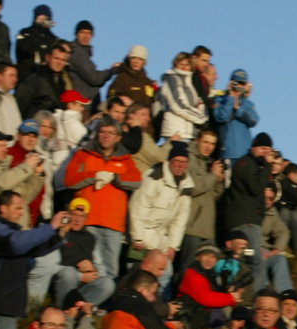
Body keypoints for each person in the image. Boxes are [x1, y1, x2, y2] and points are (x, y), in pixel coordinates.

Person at [0, 191, 64, 329]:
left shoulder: (9, 231)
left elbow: (32, 249)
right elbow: (17, 243)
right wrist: (50, 227)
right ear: (3, 208)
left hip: (8, 304)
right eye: (17, 208)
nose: (21, 213)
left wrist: (58, 235)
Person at [65, 121, 140, 280]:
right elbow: (69, 180)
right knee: (90, 267)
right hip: (88, 221)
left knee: (111, 270)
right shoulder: (83, 154)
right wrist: (94, 175)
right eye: (102, 131)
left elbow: (137, 180)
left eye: (110, 132)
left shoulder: (125, 159)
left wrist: (115, 177)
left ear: (118, 137)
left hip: (113, 223)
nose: (105, 136)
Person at [129, 142, 194, 287]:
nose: (180, 165)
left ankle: (156, 307)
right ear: (169, 161)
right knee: (137, 277)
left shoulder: (186, 185)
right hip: (142, 238)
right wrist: (138, 237)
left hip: (161, 241)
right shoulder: (154, 176)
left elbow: (180, 220)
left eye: (184, 162)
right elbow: (139, 207)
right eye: (176, 161)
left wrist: (173, 245)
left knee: (165, 276)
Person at [223, 133, 276, 252]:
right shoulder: (246, 164)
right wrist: (268, 166)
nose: (265, 153)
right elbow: (256, 189)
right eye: (263, 149)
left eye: (268, 150)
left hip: (249, 220)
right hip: (245, 221)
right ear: (254, 147)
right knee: (254, 260)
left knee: (250, 258)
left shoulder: (256, 165)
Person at [182, 128, 226, 265]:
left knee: (205, 273)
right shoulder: (189, 158)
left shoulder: (209, 163)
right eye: (205, 142)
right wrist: (213, 176)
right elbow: (193, 187)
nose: (208, 147)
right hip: (192, 226)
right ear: (197, 141)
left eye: (212, 144)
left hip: (207, 227)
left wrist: (219, 181)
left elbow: (213, 196)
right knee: (188, 267)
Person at [16, 41, 75, 116]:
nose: (59, 62)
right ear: (48, 58)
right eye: (56, 58)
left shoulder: (62, 82)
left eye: (63, 60)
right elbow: (22, 102)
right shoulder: (35, 78)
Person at [158, 52, 207, 140]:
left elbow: (199, 103)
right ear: (175, 64)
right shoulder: (171, 79)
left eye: (187, 65)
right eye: (181, 64)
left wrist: (201, 110)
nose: (184, 67)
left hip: (188, 132)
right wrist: (201, 118)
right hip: (175, 132)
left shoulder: (189, 83)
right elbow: (178, 106)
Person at [212, 68, 259, 160]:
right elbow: (222, 117)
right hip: (227, 154)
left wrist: (238, 110)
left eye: (242, 83)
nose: (239, 86)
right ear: (231, 83)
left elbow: (254, 120)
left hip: (245, 154)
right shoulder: (220, 99)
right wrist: (231, 97)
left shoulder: (247, 103)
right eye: (237, 83)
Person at [66, 20, 116, 105]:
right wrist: (111, 71)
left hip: (87, 102)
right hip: (82, 104)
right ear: (76, 34)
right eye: (83, 32)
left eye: (89, 33)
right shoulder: (77, 52)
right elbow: (93, 77)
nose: (86, 36)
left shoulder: (84, 54)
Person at [14, 5, 60, 70]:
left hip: (46, 75)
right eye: (40, 19)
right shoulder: (24, 32)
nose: (42, 21)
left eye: (45, 18)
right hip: (27, 73)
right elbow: (22, 50)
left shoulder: (54, 39)